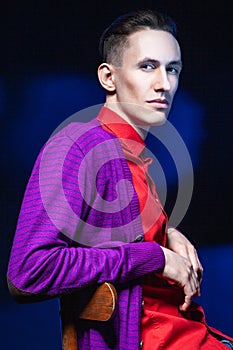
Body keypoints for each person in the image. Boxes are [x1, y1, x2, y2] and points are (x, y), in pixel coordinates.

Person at [7, 9, 233, 350]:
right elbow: (28, 273)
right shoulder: (77, 146)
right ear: (108, 78)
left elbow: (111, 236)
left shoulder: (130, 155)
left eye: (173, 69)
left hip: (189, 334)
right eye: (147, 66)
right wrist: (154, 256)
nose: (164, 84)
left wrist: (165, 232)